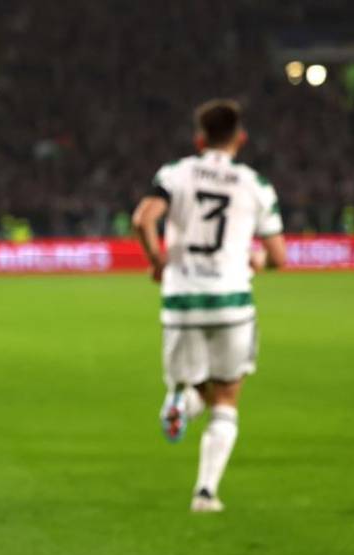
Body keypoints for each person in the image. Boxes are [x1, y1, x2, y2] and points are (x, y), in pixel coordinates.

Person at [132, 100, 286, 513]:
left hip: (181, 300)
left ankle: (182, 400)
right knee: (227, 396)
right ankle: (205, 492)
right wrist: (259, 260)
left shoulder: (175, 174)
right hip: (232, 300)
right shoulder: (255, 184)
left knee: (195, 384)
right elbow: (279, 255)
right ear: (241, 138)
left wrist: (158, 261)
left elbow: (143, 218)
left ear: (199, 139)